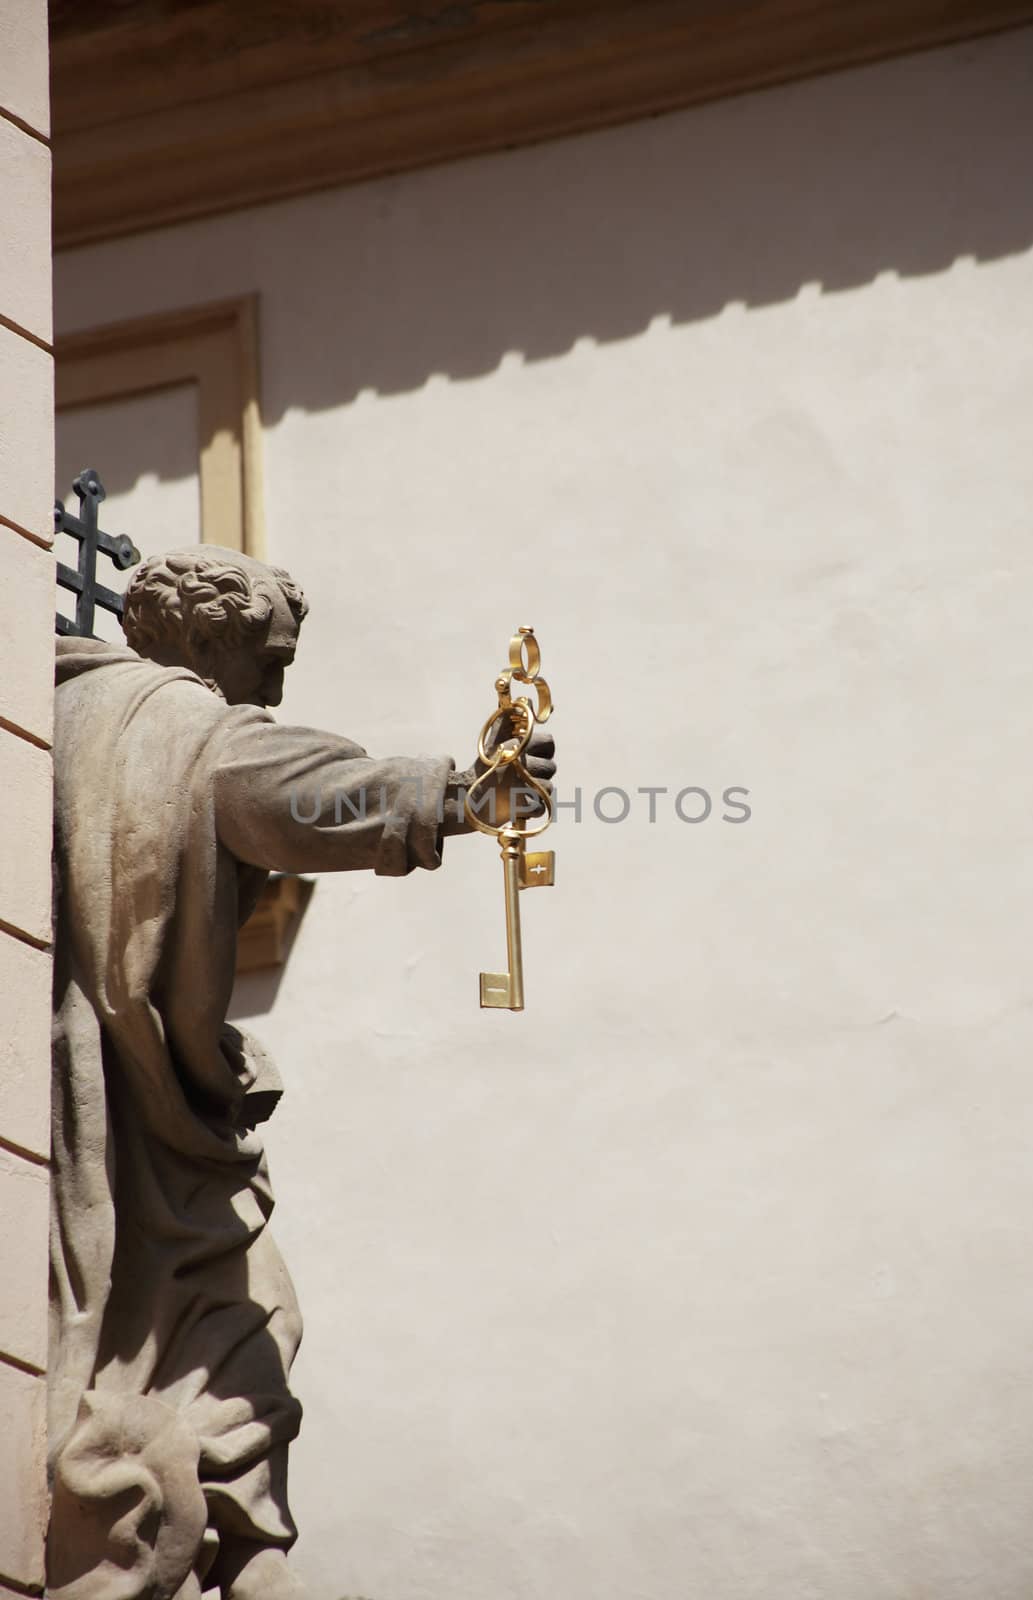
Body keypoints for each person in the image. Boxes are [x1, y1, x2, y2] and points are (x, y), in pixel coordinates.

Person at [48, 547, 555, 1600]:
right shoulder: (171, 723)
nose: (277, 688)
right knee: (236, 1333)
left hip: (143, 1103)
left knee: (246, 1334)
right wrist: (463, 793)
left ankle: (252, 1561)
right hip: (125, 1114)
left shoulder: (77, 716)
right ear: (201, 638)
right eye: (267, 660)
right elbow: (286, 792)